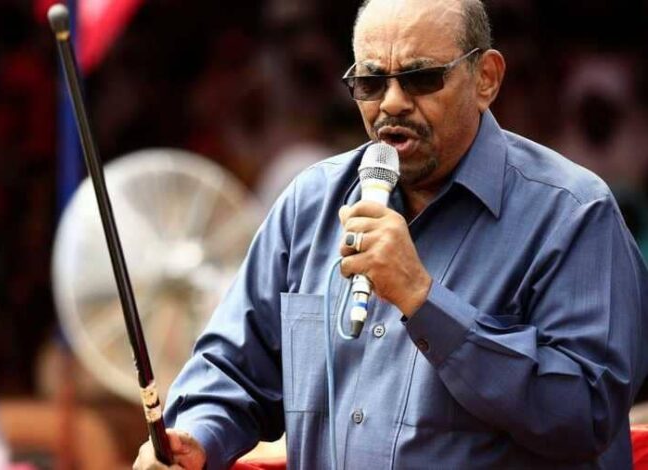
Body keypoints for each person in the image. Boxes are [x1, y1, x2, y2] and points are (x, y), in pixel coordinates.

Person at [134, 0, 648, 468]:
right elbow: (234, 370)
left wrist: (425, 302)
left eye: (421, 78)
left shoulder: (573, 214)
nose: (393, 103)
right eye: (371, 82)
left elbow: (588, 413)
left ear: (486, 78)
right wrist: (198, 436)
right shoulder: (311, 203)